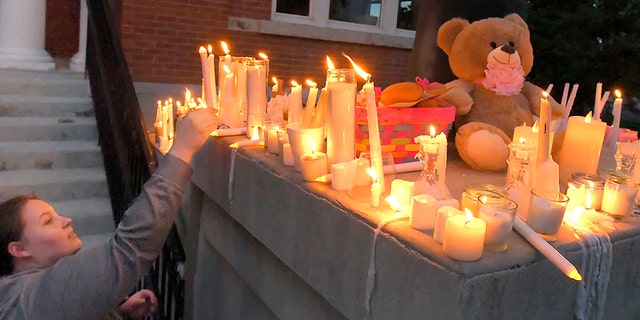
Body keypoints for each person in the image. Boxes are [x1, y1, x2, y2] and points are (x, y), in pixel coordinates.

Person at [0, 107, 218, 319]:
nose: (66, 221)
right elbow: (130, 248)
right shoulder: (30, 298)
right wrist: (182, 149)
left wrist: (116, 313)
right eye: (48, 221)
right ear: (18, 249)